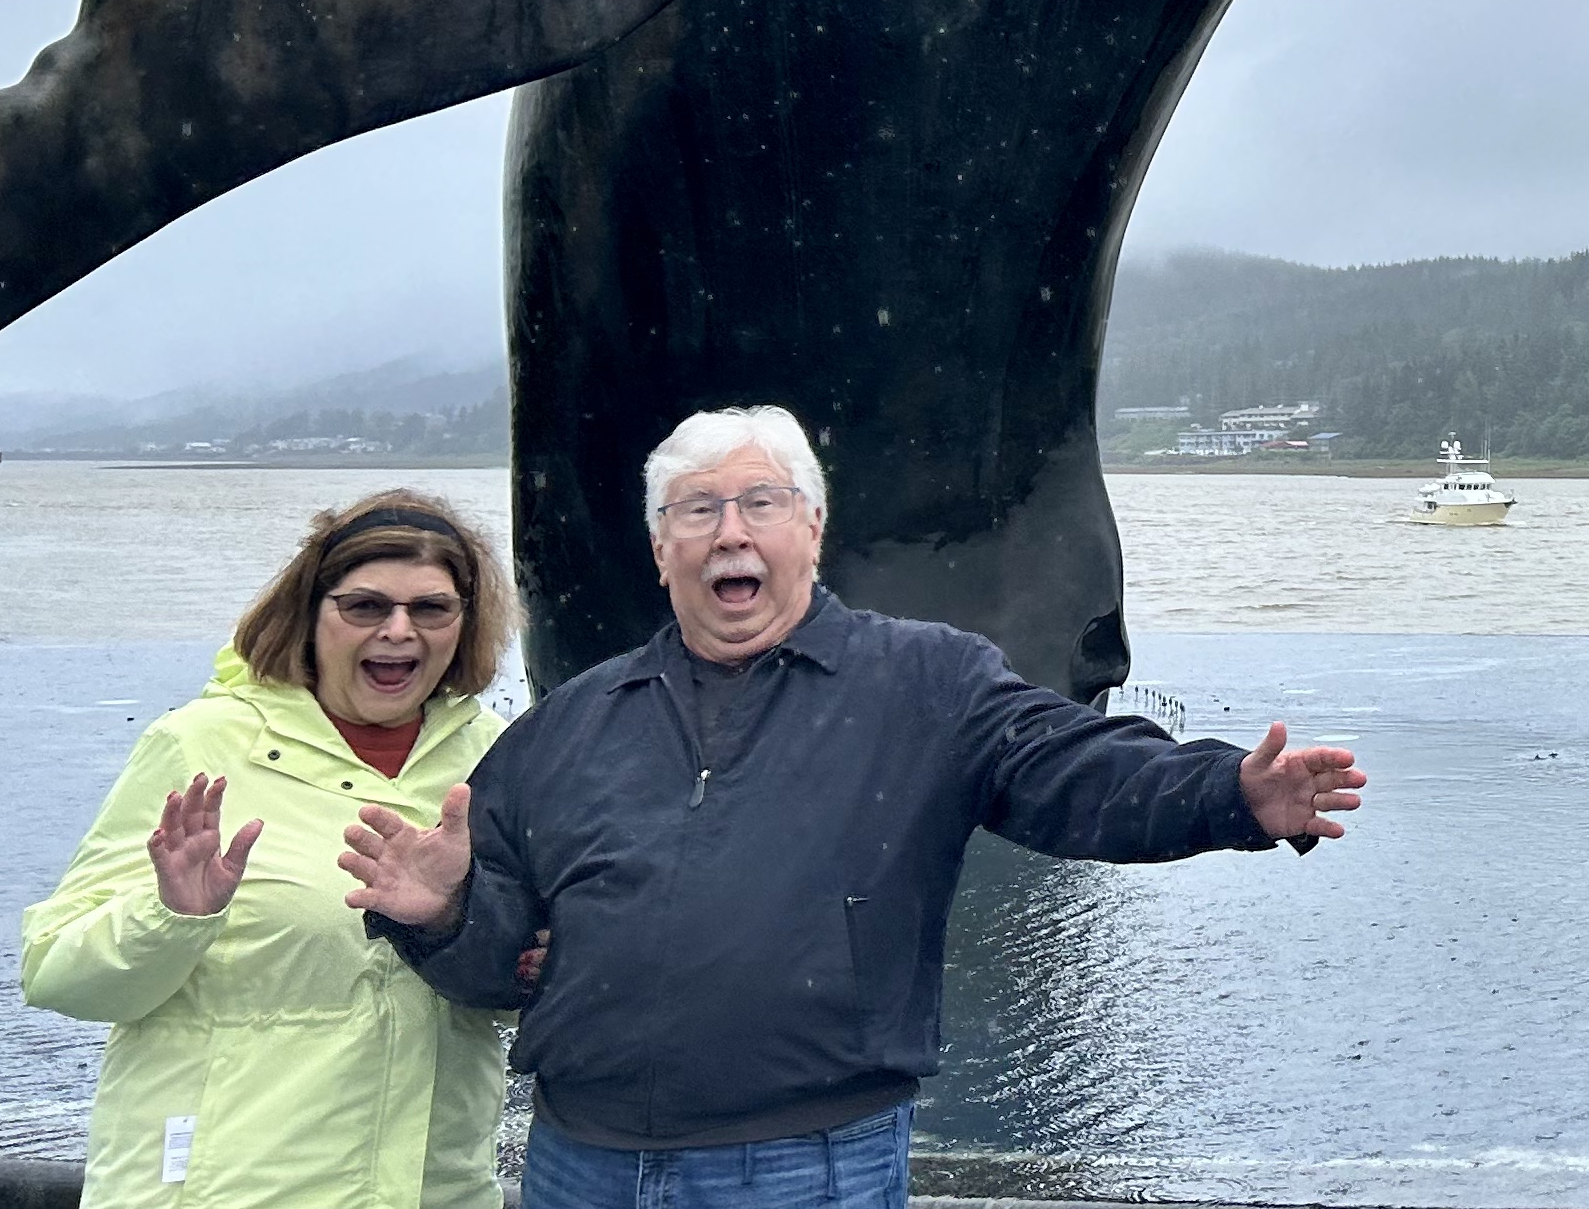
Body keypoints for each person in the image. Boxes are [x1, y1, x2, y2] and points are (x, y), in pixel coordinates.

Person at [342, 406, 1366, 1209]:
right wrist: (437, 915)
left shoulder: (925, 680)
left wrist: (1229, 792)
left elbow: (1077, 772)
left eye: (762, 502)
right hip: (583, 1162)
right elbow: (500, 968)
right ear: (661, 549)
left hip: (808, 1165)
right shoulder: (569, 724)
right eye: (696, 510)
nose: (728, 531)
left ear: (814, 529)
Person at [22, 489, 519, 1209]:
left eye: (432, 609)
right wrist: (170, 918)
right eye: (366, 606)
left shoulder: (497, 761)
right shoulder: (200, 745)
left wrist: (457, 924)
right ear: (311, 614)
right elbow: (55, 974)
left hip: (433, 1191)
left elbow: (531, 996)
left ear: (465, 625)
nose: (399, 631)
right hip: (222, 1190)